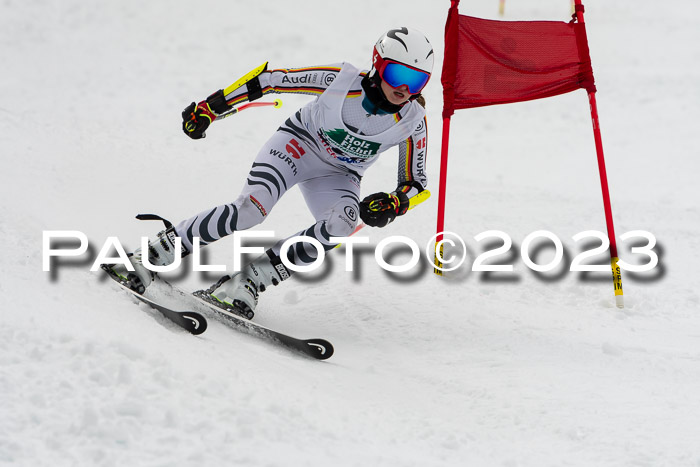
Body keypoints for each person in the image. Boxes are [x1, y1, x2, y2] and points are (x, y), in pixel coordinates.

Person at [107, 27, 433, 318]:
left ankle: (247, 281)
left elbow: (416, 184)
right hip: (297, 146)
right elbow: (271, 80)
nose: (404, 88)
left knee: (342, 225)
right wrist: (210, 108)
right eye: (397, 73)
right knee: (250, 211)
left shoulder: (413, 120)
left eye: (417, 80)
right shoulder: (341, 80)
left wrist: (394, 202)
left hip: (339, 174)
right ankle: (151, 255)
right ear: (378, 64)